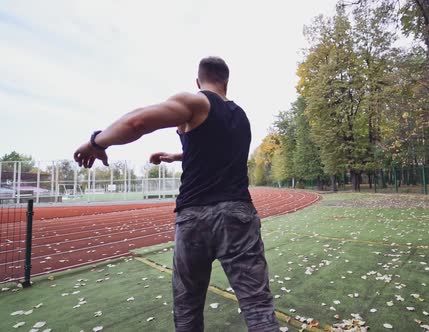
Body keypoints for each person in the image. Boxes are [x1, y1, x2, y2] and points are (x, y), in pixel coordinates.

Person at [73, 56, 279, 332]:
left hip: (194, 218)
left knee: (187, 309)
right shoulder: (241, 117)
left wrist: (96, 141)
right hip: (238, 216)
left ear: (198, 81)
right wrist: (175, 156)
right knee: (258, 307)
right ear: (226, 82)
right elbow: (215, 152)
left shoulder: (196, 102)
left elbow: (138, 122)